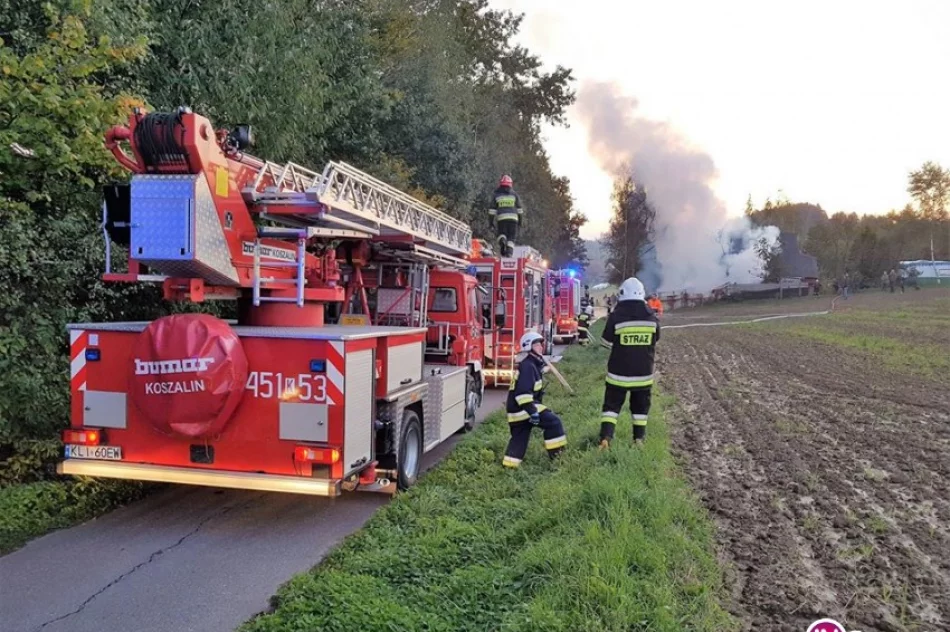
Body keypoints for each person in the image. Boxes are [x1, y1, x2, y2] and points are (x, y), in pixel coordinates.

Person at [598, 277, 660, 448]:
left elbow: (605, 342)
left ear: (622, 295)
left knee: (611, 406)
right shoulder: (652, 318)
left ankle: (606, 438)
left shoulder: (616, 316)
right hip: (643, 375)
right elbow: (656, 340)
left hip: (618, 374)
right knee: (641, 408)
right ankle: (638, 439)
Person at [502, 332, 567, 468]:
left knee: (519, 438)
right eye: (537, 345)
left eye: (540, 344)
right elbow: (523, 394)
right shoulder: (528, 367)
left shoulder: (531, 364)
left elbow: (536, 371)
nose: (540, 347)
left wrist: (544, 369)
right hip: (524, 408)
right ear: (528, 347)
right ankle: (558, 457)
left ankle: (509, 466)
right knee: (554, 422)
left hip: (516, 410)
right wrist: (533, 412)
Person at [488, 175, 523, 257]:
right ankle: (509, 253)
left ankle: (503, 240)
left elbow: (492, 211)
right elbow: (520, 210)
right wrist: (520, 222)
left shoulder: (496, 195)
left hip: (502, 219)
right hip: (513, 219)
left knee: (501, 234)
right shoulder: (514, 195)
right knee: (511, 237)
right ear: (510, 185)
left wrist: (491, 222)